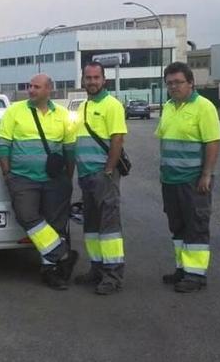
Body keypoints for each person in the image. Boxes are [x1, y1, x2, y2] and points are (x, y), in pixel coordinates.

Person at [0, 73, 78, 290]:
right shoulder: (14, 111)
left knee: (56, 224)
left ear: (49, 89)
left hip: (55, 180)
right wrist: (8, 175)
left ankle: (51, 271)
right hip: (22, 179)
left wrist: (67, 179)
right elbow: (3, 144)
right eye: (29, 86)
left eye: (36, 87)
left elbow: (70, 150)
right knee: (26, 216)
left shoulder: (63, 114)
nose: (31, 90)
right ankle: (64, 254)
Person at [156, 62, 220, 293]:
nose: (174, 87)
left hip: (193, 180)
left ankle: (196, 276)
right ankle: (182, 268)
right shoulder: (168, 107)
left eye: (178, 82)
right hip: (171, 180)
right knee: (178, 226)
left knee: (196, 226)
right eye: (170, 83)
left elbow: (213, 141)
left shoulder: (204, 107)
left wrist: (207, 174)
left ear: (191, 83)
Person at [72, 62, 128, 295]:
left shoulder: (111, 105)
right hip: (86, 176)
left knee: (109, 228)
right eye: (88, 77)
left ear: (104, 79)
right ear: (83, 80)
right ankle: (97, 268)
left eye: (96, 77)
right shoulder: (83, 106)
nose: (92, 81)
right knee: (92, 227)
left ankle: (112, 275)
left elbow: (117, 140)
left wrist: (108, 170)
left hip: (103, 175)